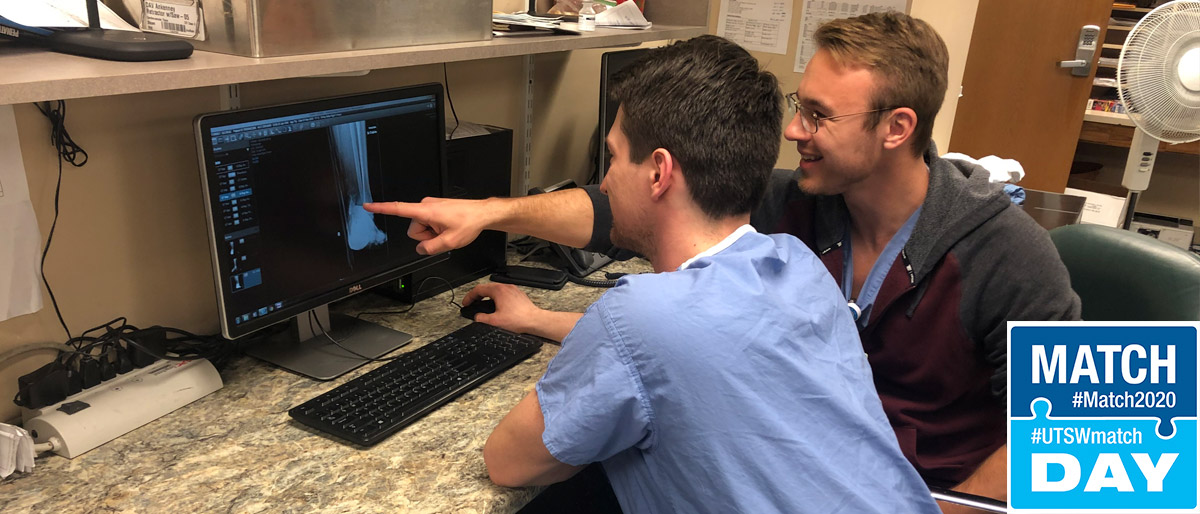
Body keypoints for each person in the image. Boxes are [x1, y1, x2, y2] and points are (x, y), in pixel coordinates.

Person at [365, 12, 1081, 510]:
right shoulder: (796, 215)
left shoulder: (1008, 249)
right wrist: (493, 214)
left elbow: (1118, 425)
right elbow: (628, 233)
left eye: (821, 116)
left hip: (932, 493)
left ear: (897, 129)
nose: (795, 129)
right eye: (799, 105)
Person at [468, 35, 938, 513]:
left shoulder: (640, 316)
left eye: (611, 157)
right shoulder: (798, 266)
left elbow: (508, 462)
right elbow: (695, 341)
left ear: (659, 173)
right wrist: (536, 319)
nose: (604, 182)